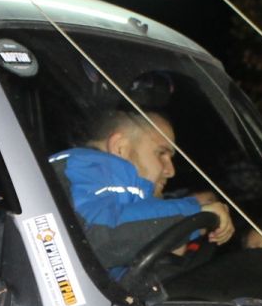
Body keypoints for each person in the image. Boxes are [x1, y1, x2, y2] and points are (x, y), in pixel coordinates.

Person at [56, 108, 234, 273]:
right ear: (120, 148)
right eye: (161, 153)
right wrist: (194, 211)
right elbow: (99, 234)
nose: (170, 171)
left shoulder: (82, 173)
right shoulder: (92, 166)